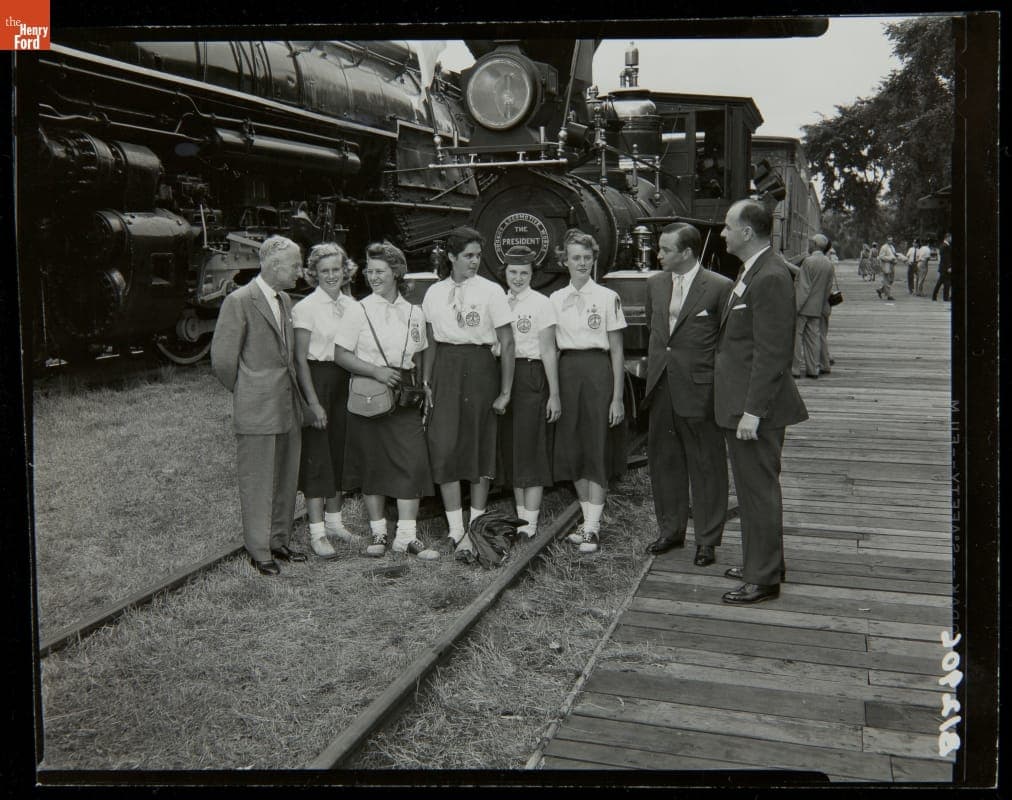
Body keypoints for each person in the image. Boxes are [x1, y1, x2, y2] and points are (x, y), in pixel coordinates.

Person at [715, 200, 809, 604]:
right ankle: (762, 560)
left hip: (755, 407)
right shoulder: (753, 269)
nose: (722, 233)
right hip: (743, 400)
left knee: (758, 490)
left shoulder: (768, 276)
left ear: (747, 233)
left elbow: (772, 353)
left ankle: (764, 577)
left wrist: (752, 411)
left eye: (727, 227)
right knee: (753, 488)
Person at [210, 235, 307, 576]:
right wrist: (249, 389)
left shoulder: (284, 300)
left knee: (284, 476)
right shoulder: (240, 301)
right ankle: (259, 549)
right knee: (258, 479)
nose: (300, 270)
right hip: (258, 407)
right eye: (295, 264)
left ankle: (279, 540)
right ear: (274, 265)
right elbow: (223, 361)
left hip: (286, 405)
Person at [334, 242, 438, 559]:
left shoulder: (414, 311)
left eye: (380, 271)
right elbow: (340, 354)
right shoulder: (357, 309)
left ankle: (406, 536)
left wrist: (424, 382)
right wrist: (376, 372)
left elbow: (423, 350)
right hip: (370, 390)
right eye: (369, 271)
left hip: (404, 390)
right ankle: (379, 534)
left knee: (412, 460)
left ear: (396, 272)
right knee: (372, 463)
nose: (373, 276)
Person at [421, 227, 515, 554]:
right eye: (468, 256)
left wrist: (505, 390)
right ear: (451, 257)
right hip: (446, 368)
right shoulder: (434, 293)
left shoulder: (491, 291)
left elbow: (507, 340)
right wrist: (426, 382)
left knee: (479, 444)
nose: (474, 262)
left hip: (480, 370)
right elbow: (431, 341)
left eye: (478, 255)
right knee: (444, 445)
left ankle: (477, 528)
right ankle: (455, 529)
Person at [643, 222, 731, 567]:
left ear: (687, 252)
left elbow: (726, 343)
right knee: (664, 461)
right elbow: (659, 333)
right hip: (662, 385)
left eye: (665, 249)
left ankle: (707, 540)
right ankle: (671, 530)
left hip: (700, 390)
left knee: (706, 464)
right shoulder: (655, 283)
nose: (658, 254)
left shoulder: (720, 287)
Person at [550, 229, 628, 554]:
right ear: (564, 261)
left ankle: (593, 527)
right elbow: (551, 349)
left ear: (594, 259)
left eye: (586, 257)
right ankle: (586, 520)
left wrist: (618, 397)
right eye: (575, 258)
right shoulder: (554, 300)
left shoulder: (607, 297)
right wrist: (554, 392)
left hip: (598, 374)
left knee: (595, 446)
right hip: (568, 373)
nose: (581, 263)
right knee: (573, 448)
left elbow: (617, 352)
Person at [290, 243, 361, 560]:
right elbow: (300, 360)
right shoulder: (305, 308)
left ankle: (335, 523)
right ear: (313, 274)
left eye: (336, 269)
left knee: (340, 450)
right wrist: (312, 403)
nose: (331, 276)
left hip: (347, 380)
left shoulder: (352, 304)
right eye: (324, 271)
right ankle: (317, 531)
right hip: (318, 380)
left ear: (345, 270)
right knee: (318, 456)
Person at [497, 245, 561, 539]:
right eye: (513, 272)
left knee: (531, 447)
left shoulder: (541, 303)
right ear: (505, 273)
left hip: (532, 374)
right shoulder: (498, 301)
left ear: (532, 274)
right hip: (503, 375)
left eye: (524, 273)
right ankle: (521, 518)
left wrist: (554, 393)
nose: (518, 278)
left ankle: (530, 522)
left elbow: (549, 349)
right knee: (513, 447)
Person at [792, 233, 835, 379]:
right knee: (813, 339)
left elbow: (803, 287)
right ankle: (813, 369)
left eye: (810, 242)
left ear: (815, 245)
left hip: (803, 307)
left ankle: (795, 369)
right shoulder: (829, 264)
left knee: (797, 337)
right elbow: (828, 289)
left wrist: (796, 307)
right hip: (817, 308)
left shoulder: (808, 261)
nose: (808, 244)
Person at [876, 237, 898, 301]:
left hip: (892, 265)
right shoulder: (884, 247)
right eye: (889, 240)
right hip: (886, 265)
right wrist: (890, 258)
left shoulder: (892, 247)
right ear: (886, 240)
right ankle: (889, 295)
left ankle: (880, 290)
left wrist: (896, 257)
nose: (890, 241)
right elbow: (881, 256)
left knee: (891, 280)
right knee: (886, 280)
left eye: (891, 240)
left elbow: (894, 255)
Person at [932, 232, 952, 301]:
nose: (951, 239)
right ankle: (938, 296)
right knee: (943, 282)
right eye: (950, 237)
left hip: (943, 268)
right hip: (945, 268)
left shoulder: (945, 245)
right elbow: (945, 258)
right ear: (947, 237)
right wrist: (949, 267)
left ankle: (942, 297)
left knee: (944, 283)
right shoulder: (945, 246)